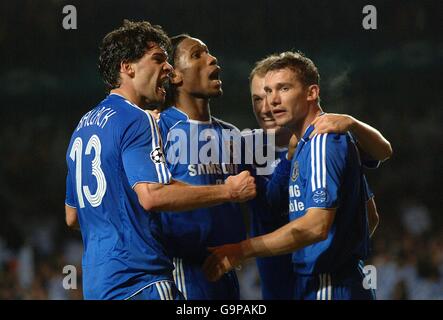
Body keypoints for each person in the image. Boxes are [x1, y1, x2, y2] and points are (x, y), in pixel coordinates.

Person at [64, 20, 256, 300]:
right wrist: (228, 191)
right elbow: (152, 196)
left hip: (100, 285)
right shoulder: (139, 118)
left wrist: (123, 225)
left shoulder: (83, 125)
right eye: (158, 60)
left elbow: (72, 216)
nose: (167, 68)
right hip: (142, 280)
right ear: (127, 67)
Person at [203, 51, 387, 300]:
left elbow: (317, 225)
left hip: (327, 283)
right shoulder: (297, 146)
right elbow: (369, 217)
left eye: (283, 89)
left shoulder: (323, 139)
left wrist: (240, 250)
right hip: (310, 283)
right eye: (265, 94)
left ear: (312, 93)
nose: (271, 102)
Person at [157, 34, 291, 300]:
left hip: (226, 270)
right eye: (197, 55)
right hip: (180, 272)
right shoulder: (158, 129)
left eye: (209, 52)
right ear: (174, 76)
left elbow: (267, 201)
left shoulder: (232, 135)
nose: (211, 58)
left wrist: (291, 157)